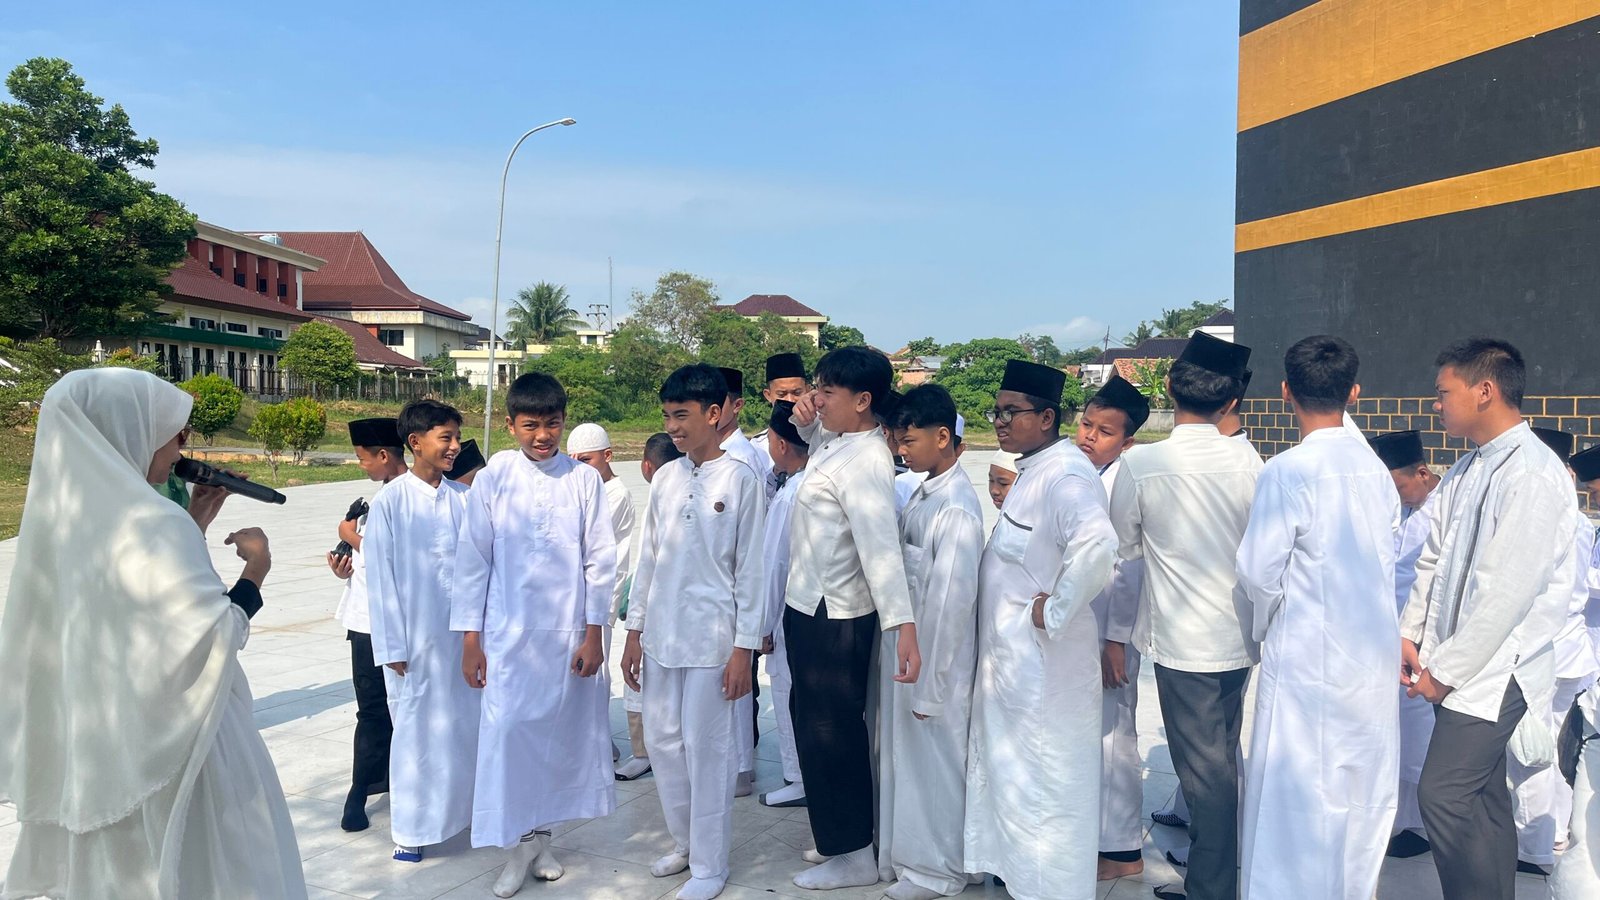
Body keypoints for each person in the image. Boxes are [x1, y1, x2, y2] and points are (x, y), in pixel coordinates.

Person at [0, 368, 303, 899]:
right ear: (129, 430)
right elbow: (215, 633)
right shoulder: (156, 522)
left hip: (103, 743)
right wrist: (257, 567)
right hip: (180, 747)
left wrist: (196, 521)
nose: (181, 446)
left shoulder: (67, 523)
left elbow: (140, 602)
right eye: (172, 432)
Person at [1400, 338, 1578, 900]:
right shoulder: (1467, 468)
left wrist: (1445, 671)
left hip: (1500, 668)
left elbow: (1505, 595)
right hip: (1459, 659)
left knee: (1444, 795)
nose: (1436, 404)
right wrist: (1410, 633)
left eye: (1443, 392)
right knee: (1482, 797)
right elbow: (1433, 559)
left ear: (1484, 391)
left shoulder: (1532, 474)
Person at [1235, 336, 1400, 900]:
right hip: (1370, 656)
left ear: (1286, 392)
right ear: (1354, 393)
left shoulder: (1287, 471)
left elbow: (1258, 571)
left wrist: (1266, 626)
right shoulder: (1376, 470)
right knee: (1359, 792)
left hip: (1307, 654)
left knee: (1296, 792)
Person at [451, 373, 618, 898]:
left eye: (552, 424)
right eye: (530, 425)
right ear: (510, 425)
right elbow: (472, 561)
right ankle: (517, 846)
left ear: (563, 422)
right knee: (508, 737)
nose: (542, 435)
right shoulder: (494, 477)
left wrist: (594, 635)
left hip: (568, 637)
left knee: (557, 742)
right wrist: (471, 640)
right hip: (506, 635)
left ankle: (541, 841)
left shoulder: (583, 480)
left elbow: (600, 561)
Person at [1109, 331, 1262, 900]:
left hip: (1183, 643)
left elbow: (1124, 546)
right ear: (1231, 402)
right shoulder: (1252, 462)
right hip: (1239, 636)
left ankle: (1212, 890)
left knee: (1205, 775)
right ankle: (1215, 878)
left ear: (1169, 387)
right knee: (1219, 759)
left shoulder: (1143, 463)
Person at [965, 359, 1118, 900]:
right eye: (997, 411)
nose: (1000, 421)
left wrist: (1054, 610)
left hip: (1045, 671)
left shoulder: (1066, 475)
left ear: (1047, 417)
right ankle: (1018, 881)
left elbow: (1097, 545)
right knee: (1016, 780)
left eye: (1012, 412)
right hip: (1015, 671)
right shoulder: (1033, 471)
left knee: (1047, 787)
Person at [621, 363, 765, 900]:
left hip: (713, 641)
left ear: (714, 413)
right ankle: (684, 843)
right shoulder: (666, 478)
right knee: (663, 744)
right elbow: (649, 558)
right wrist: (634, 631)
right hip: (661, 636)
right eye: (666, 416)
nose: (673, 427)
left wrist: (743, 648)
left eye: (681, 415)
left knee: (708, 752)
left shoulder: (741, 479)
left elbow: (752, 571)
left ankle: (710, 865)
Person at [784, 345, 922, 890]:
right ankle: (836, 837)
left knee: (831, 733)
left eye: (827, 391)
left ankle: (854, 854)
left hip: (836, 615)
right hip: (808, 605)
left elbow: (880, 550)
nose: (816, 399)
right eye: (815, 387)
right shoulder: (839, 442)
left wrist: (902, 625)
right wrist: (808, 424)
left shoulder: (867, 461)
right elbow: (819, 450)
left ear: (863, 401)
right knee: (810, 724)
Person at [878, 384, 984, 900]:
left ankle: (940, 871)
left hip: (936, 663)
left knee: (937, 766)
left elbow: (949, 605)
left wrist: (933, 684)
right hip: (912, 655)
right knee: (912, 762)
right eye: (899, 440)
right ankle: (915, 859)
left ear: (943, 437)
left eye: (910, 441)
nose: (902, 450)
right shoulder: (926, 491)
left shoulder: (956, 509)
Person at [365, 399, 479, 864]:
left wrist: (478, 637)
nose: (454, 446)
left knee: (464, 728)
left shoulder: (463, 499)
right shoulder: (391, 502)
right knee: (415, 734)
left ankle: (465, 816)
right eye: (445, 438)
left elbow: (478, 573)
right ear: (415, 442)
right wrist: (392, 645)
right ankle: (412, 830)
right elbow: (380, 578)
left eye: (456, 438)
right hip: (413, 644)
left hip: (462, 642)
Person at [1509, 427, 1599, 874]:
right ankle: (1558, 832)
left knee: (1532, 752)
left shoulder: (1548, 519)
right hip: (1573, 649)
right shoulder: (1580, 522)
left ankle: (1534, 847)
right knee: (1565, 748)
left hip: (1547, 651)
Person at [1076, 375, 1151, 881]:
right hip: (1081, 623)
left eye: (1104, 432)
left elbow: (1130, 566)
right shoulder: (1079, 471)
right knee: (1087, 733)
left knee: (1114, 734)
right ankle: (1090, 836)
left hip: (1110, 632)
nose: (1089, 436)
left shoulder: (1124, 480)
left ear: (1127, 442)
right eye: (1086, 424)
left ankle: (1122, 850)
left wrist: (1116, 641)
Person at [326, 418, 406, 833]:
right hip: (364, 622)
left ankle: (385, 785)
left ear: (384, 455)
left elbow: (396, 558)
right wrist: (347, 564)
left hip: (391, 623)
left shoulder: (405, 496)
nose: (361, 465)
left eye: (363, 458)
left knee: (393, 709)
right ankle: (362, 788)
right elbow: (371, 562)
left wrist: (351, 536)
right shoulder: (382, 495)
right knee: (372, 709)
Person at [1368, 429, 1442, 859]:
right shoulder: (1403, 509)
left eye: (1398, 487)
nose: (1396, 496)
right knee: (1396, 730)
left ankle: (1420, 825)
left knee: (1419, 733)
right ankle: (1399, 818)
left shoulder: (1445, 510)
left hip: (1424, 638)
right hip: (1390, 635)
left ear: (1422, 473)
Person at [615, 433, 686, 782]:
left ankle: (645, 753)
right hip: (666, 617)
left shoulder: (661, 499)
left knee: (644, 688)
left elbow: (648, 567)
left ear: (646, 466)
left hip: (663, 618)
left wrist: (635, 620)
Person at [568, 421, 639, 769]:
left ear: (607, 456)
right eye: (572, 460)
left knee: (594, 674)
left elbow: (582, 542)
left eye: (586, 460)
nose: (579, 467)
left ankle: (600, 747)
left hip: (600, 599)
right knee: (577, 674)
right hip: (576, 600)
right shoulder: (585, 490)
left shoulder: (615, 494)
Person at [716, 365, 771, 799]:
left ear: (734, 406)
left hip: (736, 588)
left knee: (735, 681)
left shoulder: (743, 458)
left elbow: (754, 542)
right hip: (711, 594)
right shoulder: (700, 458)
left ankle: (739, 767)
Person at [757, 403, 811, 810]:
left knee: (788, 689)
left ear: (779, 444)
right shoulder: (812, 483)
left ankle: (798, 778)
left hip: (788, 613)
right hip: (810, 612)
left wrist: (761, 626)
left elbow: (773, 565)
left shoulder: (791, 495)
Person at [751, 352, 811, 496]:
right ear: (768, 395)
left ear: (808, 390)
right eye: (782, 394)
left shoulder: (823, 437)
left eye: (797, 392)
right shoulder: (757, 448)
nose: (790, 400)